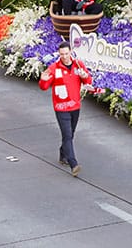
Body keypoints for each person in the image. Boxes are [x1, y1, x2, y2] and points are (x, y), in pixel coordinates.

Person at [38, 41, 93, 176]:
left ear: (71, 52)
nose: (64, 57)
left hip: (75, 106)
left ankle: (63, 153)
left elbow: (88, 83)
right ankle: (73, 164)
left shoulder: (78, 65)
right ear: (59, 54)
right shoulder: (53, 68)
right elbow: (44, 87)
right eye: (62, 54)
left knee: (71, 134)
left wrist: (85, 77)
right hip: (61, 107)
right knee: (67, 135)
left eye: (66, 53)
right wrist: (43, 79)